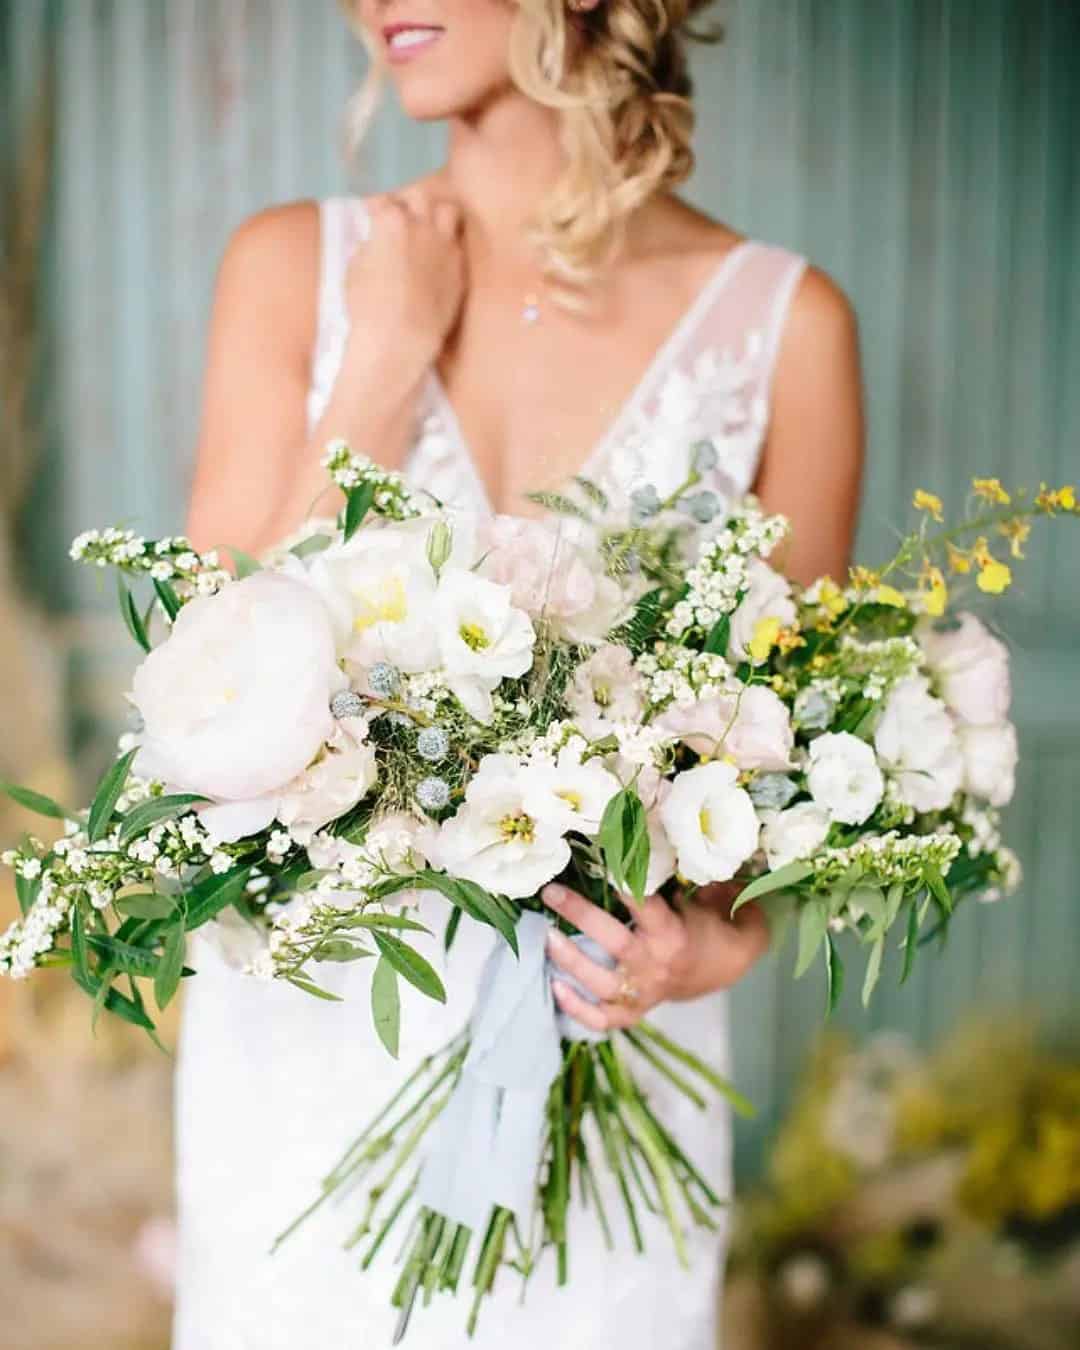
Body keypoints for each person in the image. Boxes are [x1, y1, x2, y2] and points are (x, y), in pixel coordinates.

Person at [177, 2, 863, 1345]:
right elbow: (200, 688)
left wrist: (703, 948)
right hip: (312, 1035)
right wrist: (376, 367)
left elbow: (792, 781)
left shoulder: (790, 325)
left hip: (604, 1045)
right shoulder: (293, 269)